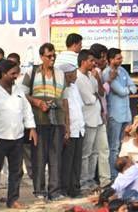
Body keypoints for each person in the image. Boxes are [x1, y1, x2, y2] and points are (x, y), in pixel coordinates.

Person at [0, 59, 37, 210]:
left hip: (17, 137)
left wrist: (31, 128)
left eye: (17, 73)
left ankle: (13, 200)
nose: (16, 76)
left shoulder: (18, 89)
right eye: (13, 73)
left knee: (16, 172)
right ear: (3, 73)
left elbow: (26, 110)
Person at [22, 43, 66, 203]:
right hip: (39, 121)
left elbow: (64, 99)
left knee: (56, 158)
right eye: (49, 56)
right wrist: (37, 102)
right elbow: (23, 94)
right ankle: (39, 191)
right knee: (39, 157)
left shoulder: (60, 74)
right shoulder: (31, 73)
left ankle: (54, 191)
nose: (52, 59)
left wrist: (66, 125)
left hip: (57, 120)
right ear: (41, 57)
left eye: (54, 56)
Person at [104, 47, 137, 173]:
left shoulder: (123, 71)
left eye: (121, 57)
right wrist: (128, 90)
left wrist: (128, 90)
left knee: (124, 145)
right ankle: (113, 174)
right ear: (111, 60)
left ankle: (124, 172)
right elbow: (122, 91)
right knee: (114, 147)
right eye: (118, 58)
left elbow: (133, 87)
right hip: (115, 115)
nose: (121, 60)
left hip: (126, 114)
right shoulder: (107, 73)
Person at [77, 49, 102, 193]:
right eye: (91, 61)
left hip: (96, 118)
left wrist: (98, 79)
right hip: (87, 119)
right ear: (83, 61)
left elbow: (100, 93)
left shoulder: (92, 76)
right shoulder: (79, 77)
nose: (94, 63)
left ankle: (91, 178)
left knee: (95, 152)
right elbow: (90, 99)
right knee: (86, 153)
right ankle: (83, 180)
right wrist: (96, 95)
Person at [58, 61, 84, 198]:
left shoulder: (74, 87)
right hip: (69, 130)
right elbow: (64, 111)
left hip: (79, 129)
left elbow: (79, 107)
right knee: (67, 162)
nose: (76, 76)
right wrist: (66, 130)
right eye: (74, 73)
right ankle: (65, 188)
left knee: (76, 162)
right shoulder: (61, 88)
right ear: (67, 75)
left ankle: (75, 188)